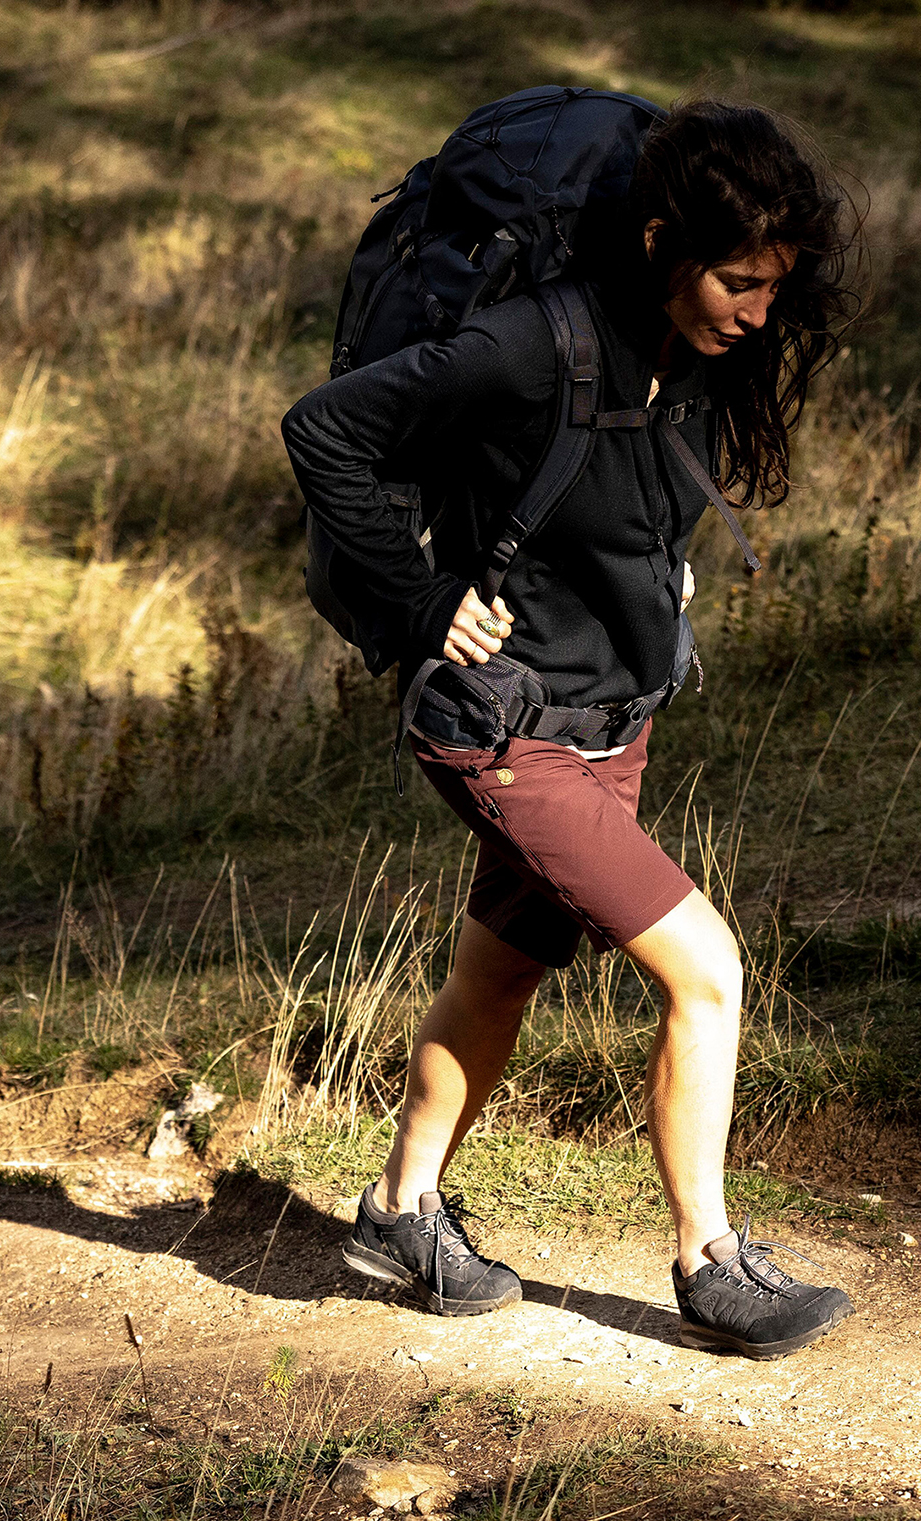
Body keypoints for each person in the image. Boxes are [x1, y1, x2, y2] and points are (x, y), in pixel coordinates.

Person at [281, 98, 862, 1359]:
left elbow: (616, 510)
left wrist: (660, 584)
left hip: (611, 726)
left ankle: (397, 1207)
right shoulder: (526, 347)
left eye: (774, 287)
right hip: (503, 731)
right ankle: (712, 1263)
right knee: (707, 971)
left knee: (496, 976)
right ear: (659, 239)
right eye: (737, 281)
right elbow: (324, 428)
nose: (757, 312)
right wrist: (425, 599)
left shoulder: (691, 358)